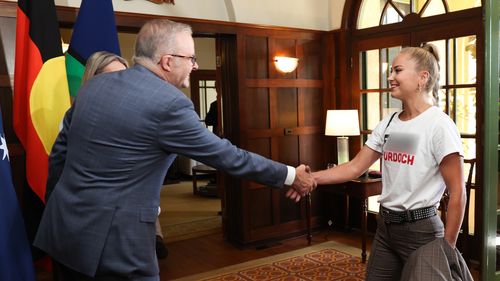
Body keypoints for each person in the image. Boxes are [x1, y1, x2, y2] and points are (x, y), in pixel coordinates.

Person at [34, 19, 316, 281]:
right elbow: (227, 156)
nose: (195, 65)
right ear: (167, 61)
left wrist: (60, 202)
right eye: (191, 58)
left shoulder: (94, 86)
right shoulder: (169, 104)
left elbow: (60, 153)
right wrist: (291, 175)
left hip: (62, 230)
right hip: (115, 244)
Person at [312, 44, 466, 280]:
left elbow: (458, 193)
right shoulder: (389, 122)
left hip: (422, 232)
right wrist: (311, 178)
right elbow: (354, 167)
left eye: (397, 71)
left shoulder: (439, 125)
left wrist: (447, 247)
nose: (390, 77)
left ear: (422, 78)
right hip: (386, 228)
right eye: (391, 71)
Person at [46, 51, 168, 263]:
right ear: (93, 78)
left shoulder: (134, 112)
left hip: (133, 213)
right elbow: (60, 166)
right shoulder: (75, 116)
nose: (121, 83)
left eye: (124, 75)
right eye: (113, 76)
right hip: (89, 215)